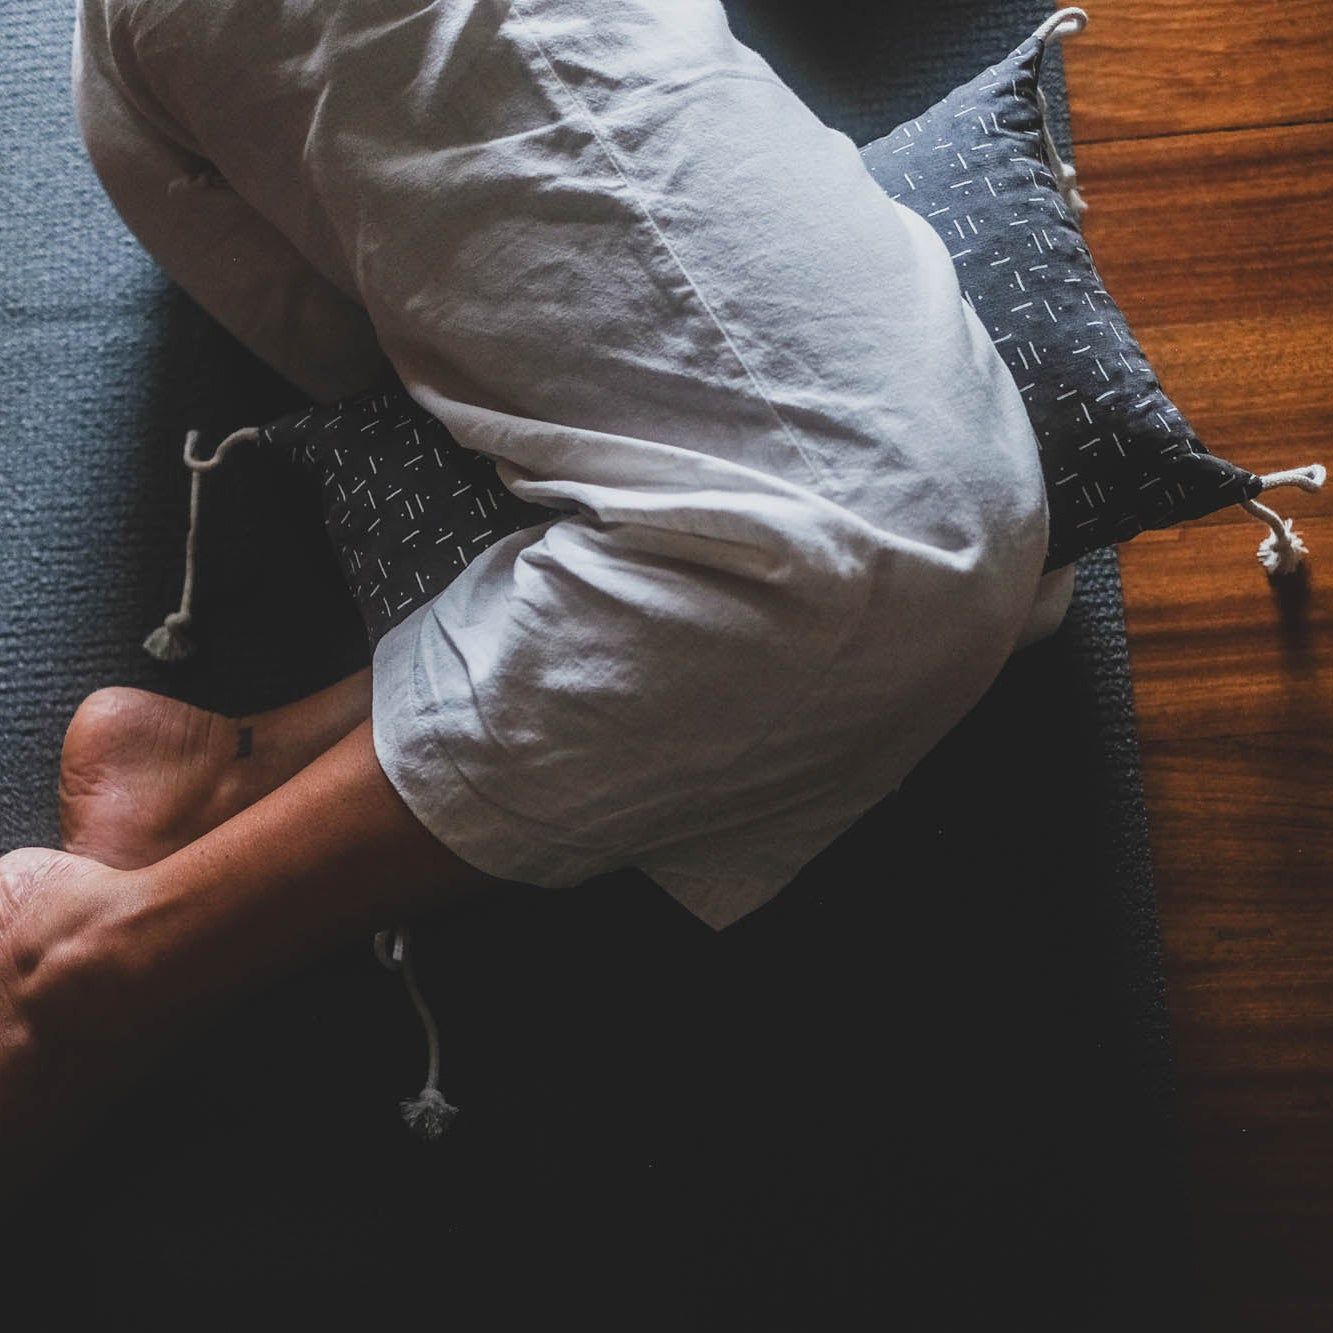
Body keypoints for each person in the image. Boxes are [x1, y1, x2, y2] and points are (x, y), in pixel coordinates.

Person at [0, 0, 1069, 1186]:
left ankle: (235, 779)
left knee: (926, 576)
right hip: (256, 69)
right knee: (907, 536)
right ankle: (87, 968)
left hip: (215, 126)